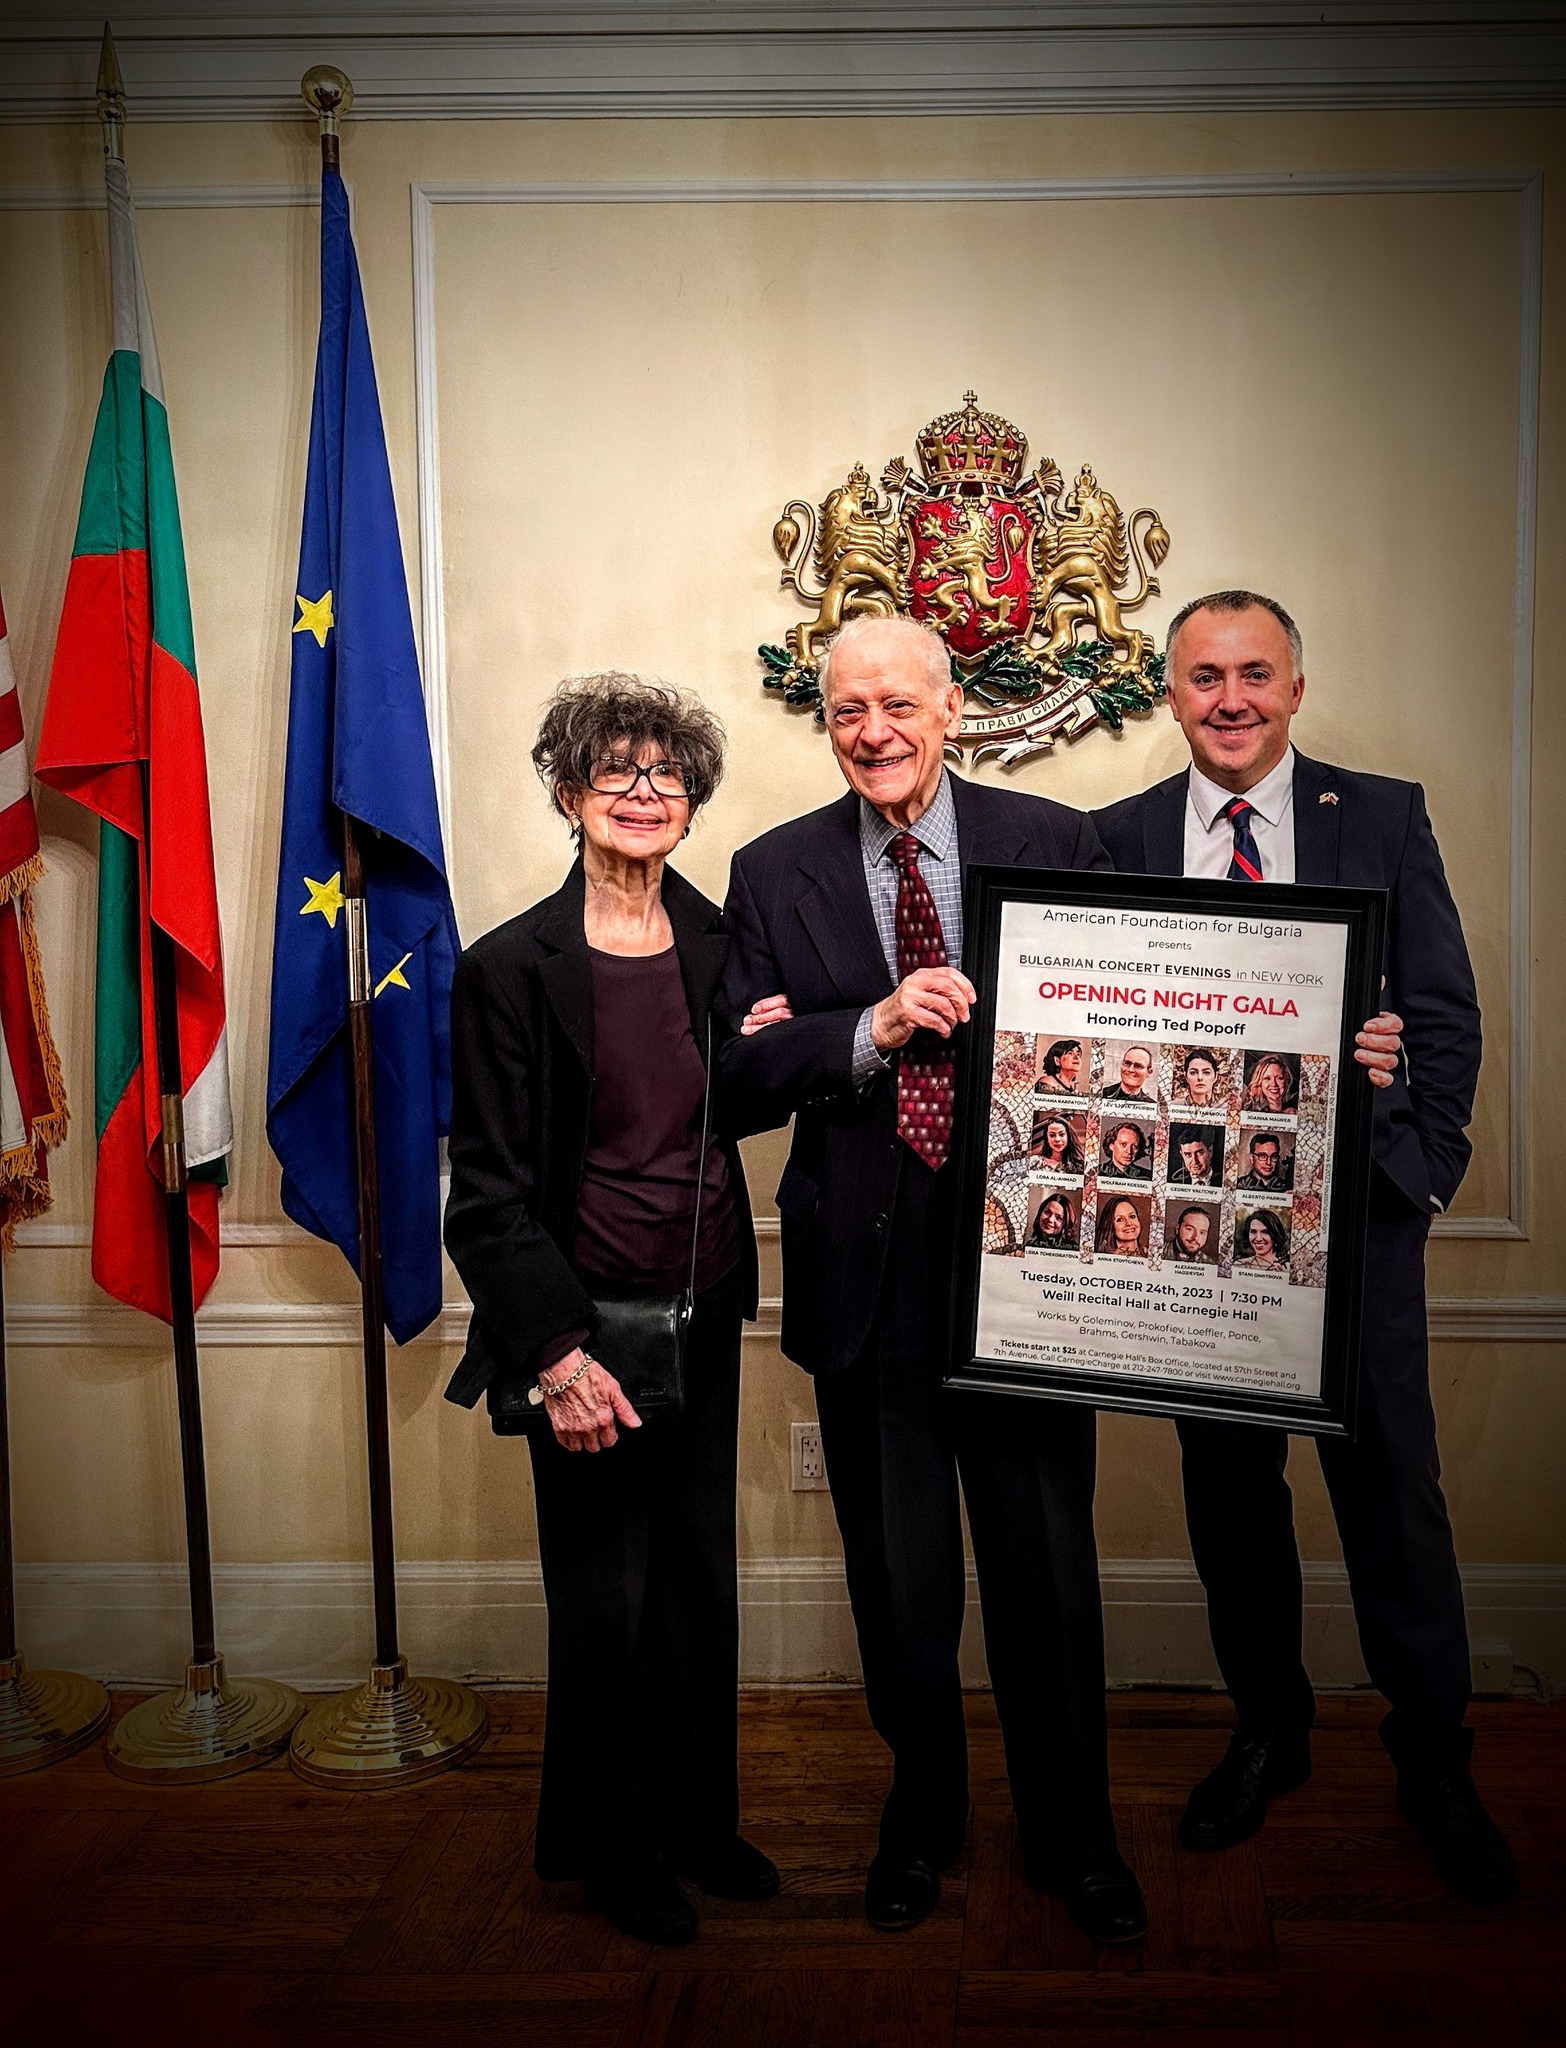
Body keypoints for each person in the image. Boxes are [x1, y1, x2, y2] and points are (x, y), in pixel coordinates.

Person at [723, 615, 1146, 1945]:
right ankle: (923, 1813)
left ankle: (1074, 1832)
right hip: (868, 1275)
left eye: (897, 704)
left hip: (1030, 1265)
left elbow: (1132, 1025)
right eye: (847, 710)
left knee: (1044, 1570)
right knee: (899, 1578)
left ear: (951, 709)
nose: (873, 732)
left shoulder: (1055, 840)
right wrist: (865, 1025)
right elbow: (738, 1075)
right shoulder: (772, 868)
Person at [1093, 589, 1515, 1904]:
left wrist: (1419, 1173)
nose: (1230, 699)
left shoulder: (1379, 815)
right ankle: (1268, 1731)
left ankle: (1433, 1758)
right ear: (1170, 692)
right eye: (1204, 676)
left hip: (1360, 1226)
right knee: (1230, 1497)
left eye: (1254, 674)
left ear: (1294, 686)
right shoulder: (1116, 837)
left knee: (1393, 1500)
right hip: (1198, 1235)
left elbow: (1441, 1011)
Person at [442, 675, 779, 1948]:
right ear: (568, 790)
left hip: (705, 1304)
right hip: (584, 1325)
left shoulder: (725, 944)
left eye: (667, 774)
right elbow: (485, 1192)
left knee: (694, 1580)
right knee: (604, 1600)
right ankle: (617, 1847)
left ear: (692, 802)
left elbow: (743, 1095)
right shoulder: (507, 967)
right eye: (617, 770)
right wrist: (557, 1354)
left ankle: (699, 1821)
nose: (645, 792)